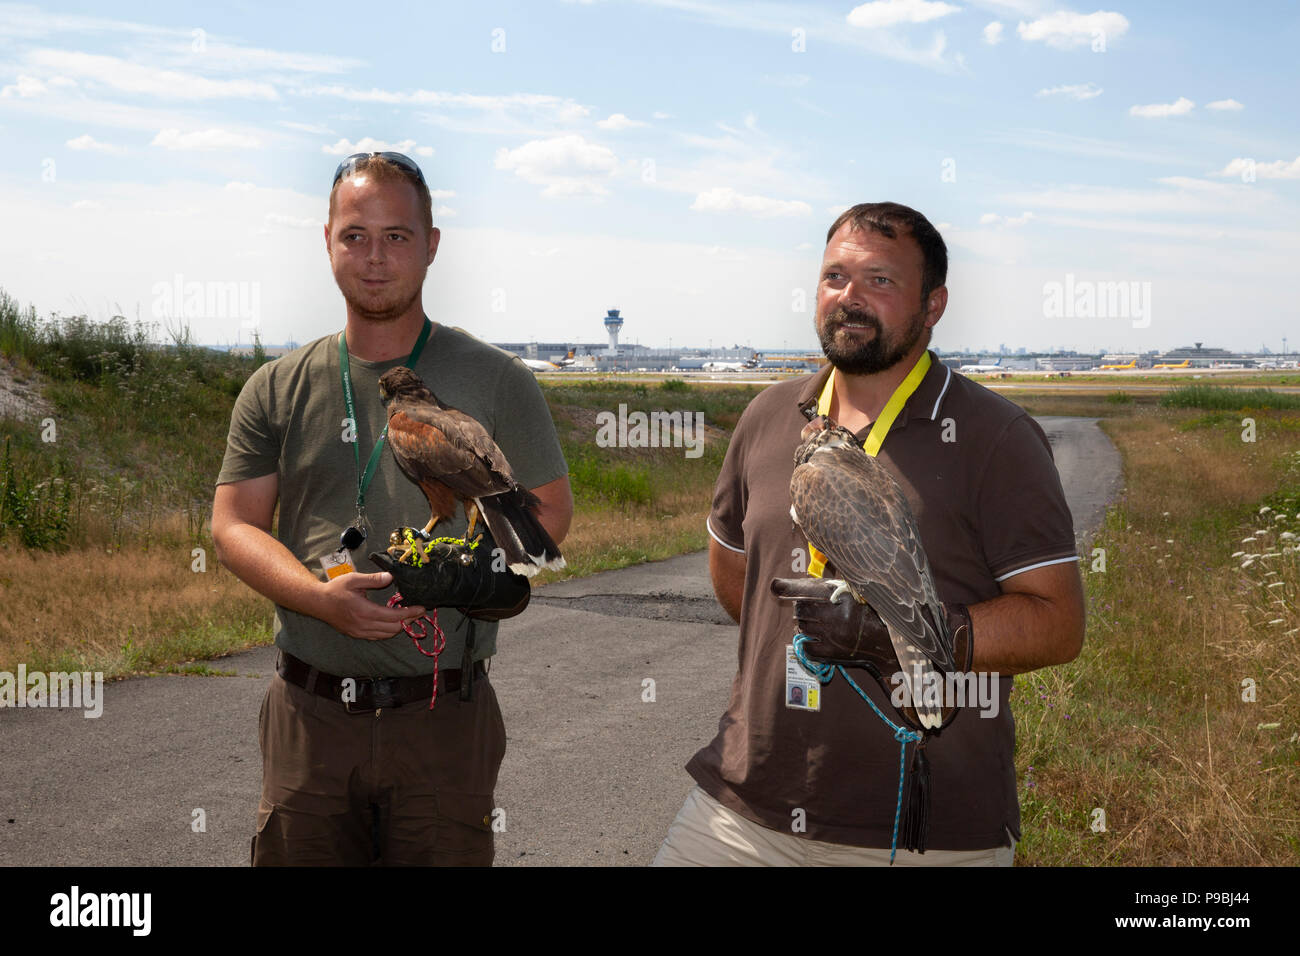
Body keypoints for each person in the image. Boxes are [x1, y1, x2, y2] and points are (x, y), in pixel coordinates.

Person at [653, 201, 1085, 866]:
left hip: (920, 825)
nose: (849, 298)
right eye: (834, 278)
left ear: (933, 304)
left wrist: (907, 638)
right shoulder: (769, 415)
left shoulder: (994, 435)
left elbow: (1058, 623)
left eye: (880, 281)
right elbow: (736, 575)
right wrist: (807, 635)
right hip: (743, 807)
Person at [211, 152, 572, 866]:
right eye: (355, 235)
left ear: (431, 244)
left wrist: (476, 576)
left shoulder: (499, 378)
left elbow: (546, 514)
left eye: (397, 236)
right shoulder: (274, 386)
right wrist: (319, 600)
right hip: (310, 717)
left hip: (442, 716)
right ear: (327, 242)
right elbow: (232, 527)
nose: (375, 258)